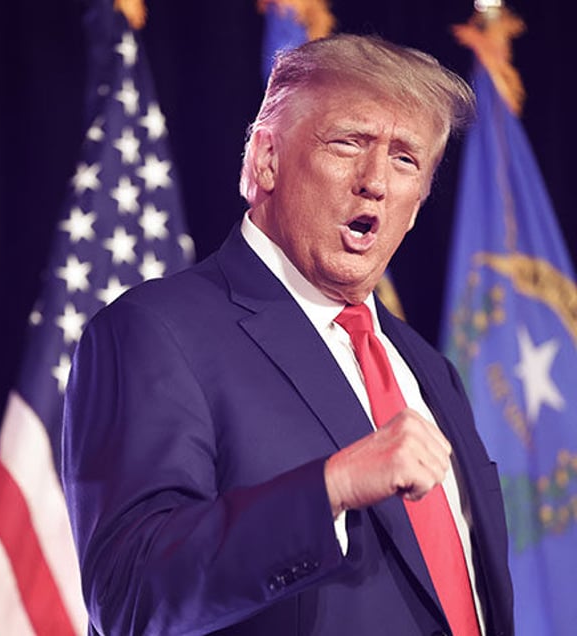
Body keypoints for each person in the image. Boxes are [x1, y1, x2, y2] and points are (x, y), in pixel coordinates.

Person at [61, 34, 514, 635]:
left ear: (420, 199)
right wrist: (332, 486)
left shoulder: (428, 368)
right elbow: (128, 595)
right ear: (265, 160)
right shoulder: (156, 331)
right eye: (349, 143)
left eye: (405, 159)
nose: (375, 180)